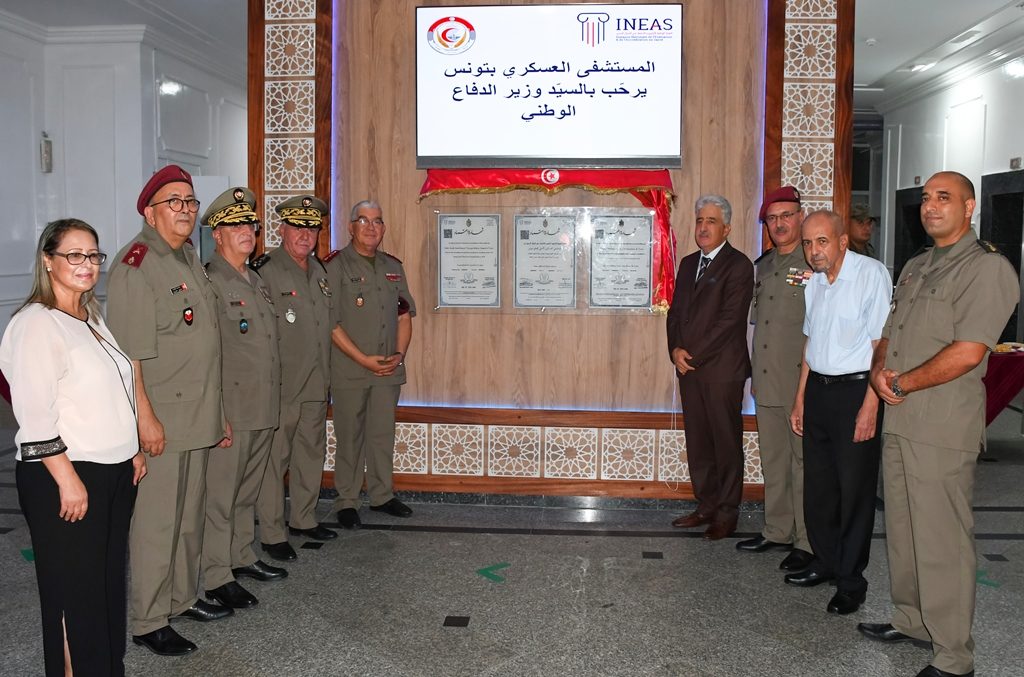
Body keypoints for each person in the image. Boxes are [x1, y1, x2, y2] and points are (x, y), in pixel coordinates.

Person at [861, 171, 1019, 677]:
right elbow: (889, 331)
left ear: (969, 207)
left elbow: (970, 352)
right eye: (926, 198)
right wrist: (878, 371)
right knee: (905, 531)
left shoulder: (987, 269)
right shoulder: (916, 265)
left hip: (942, 426)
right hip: (902, 417)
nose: (931, 207)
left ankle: (953, 656)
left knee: (943, 539)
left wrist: (902, 383)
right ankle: (912, 622)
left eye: (943, 198)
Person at [0, 219, 147, 676]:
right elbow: (35, 417)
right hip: (66, 475)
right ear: (48, 260)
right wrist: (68, 481)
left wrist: (134, 449)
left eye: (94, 255)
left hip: (112, 470)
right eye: (75, 255)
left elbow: (116, 388)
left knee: (104, 587)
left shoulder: (91, 315)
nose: (88, 265)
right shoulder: (36, 324)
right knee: (74, 595)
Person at [107, 165, 233, 657]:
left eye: (190, 202)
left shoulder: (186, 258)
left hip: (197, 414)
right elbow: (130, 356)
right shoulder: (137, 266)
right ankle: (148, 618)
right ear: (149, 211)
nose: (184, 210)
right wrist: (145, 419)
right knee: (158, 523)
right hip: (162, 418)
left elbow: (207, 347)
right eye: (173, 202)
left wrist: (217, 412)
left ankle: (180, 599)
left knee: (188, 518)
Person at [786, 210, 891, 615]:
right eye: (809, 243)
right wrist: (800, 398)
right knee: (820, 488)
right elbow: (810, 344)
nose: (814, 251)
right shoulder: (814, 283)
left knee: (855, 493)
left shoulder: (870, 275)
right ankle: (825, 562)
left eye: (822, 241)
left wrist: (871, 404)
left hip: (856, 392)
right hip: (819, 392)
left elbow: (881, 344)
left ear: (843, 241)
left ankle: (851, 581)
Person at [199, 188, 288, 611]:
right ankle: (216, 575)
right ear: (217, 235)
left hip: (262, 406)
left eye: (249, 225)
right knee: (221, 495)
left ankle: (240, 556)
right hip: (233, 410)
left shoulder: (254, 278)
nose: (246, 233)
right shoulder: (211, 282)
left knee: (246, 492)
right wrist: (218, 415)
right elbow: (208, 354)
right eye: (234, 226)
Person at [254, 194, 337, 561]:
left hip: (316, 383)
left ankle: (303, 518)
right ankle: (272, 532)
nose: (306, 235)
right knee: (276, 460)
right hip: (283, 385)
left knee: (310, 453)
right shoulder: (265, 270)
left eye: (312, 228)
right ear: (281, 228)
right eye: (298, 227)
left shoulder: (319, 271)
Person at [666, 194, 753, 539]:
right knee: (699, 442)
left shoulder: (739, 265)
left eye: (711, 221)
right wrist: (675, 349)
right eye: (700, 220)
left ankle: (727, 513)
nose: (703, 227)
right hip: (689, 370)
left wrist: (692, 354)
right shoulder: (688, 263)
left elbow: (730, 321)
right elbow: (675, 314)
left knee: (725, 443)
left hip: (722, 372)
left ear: (727, 228)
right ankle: (706, 505)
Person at [736, 186, 814, 572]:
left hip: (801, 382)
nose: (780, 224)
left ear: (801, 217)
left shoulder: (816, 262)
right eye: (772, 218)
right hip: (766, 381)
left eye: (787, 216)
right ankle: (778, 529)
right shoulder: (763, 265)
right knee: (774, 460)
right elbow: (758, 325)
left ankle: (806, 540)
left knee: (802, 463)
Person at [327, 200, 416, 529]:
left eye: (377, 221)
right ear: (350, 227)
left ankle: (381, 495)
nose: (370, 227)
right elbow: (331, 323)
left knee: (382, 435)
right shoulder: (335, 267)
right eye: (363, 220)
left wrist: (399, 355)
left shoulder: (394, 267)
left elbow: (404, 315)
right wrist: (363, 359)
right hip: (351, 369)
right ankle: (347, 499)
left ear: (383, 228)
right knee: (350, 437)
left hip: (388, 370)